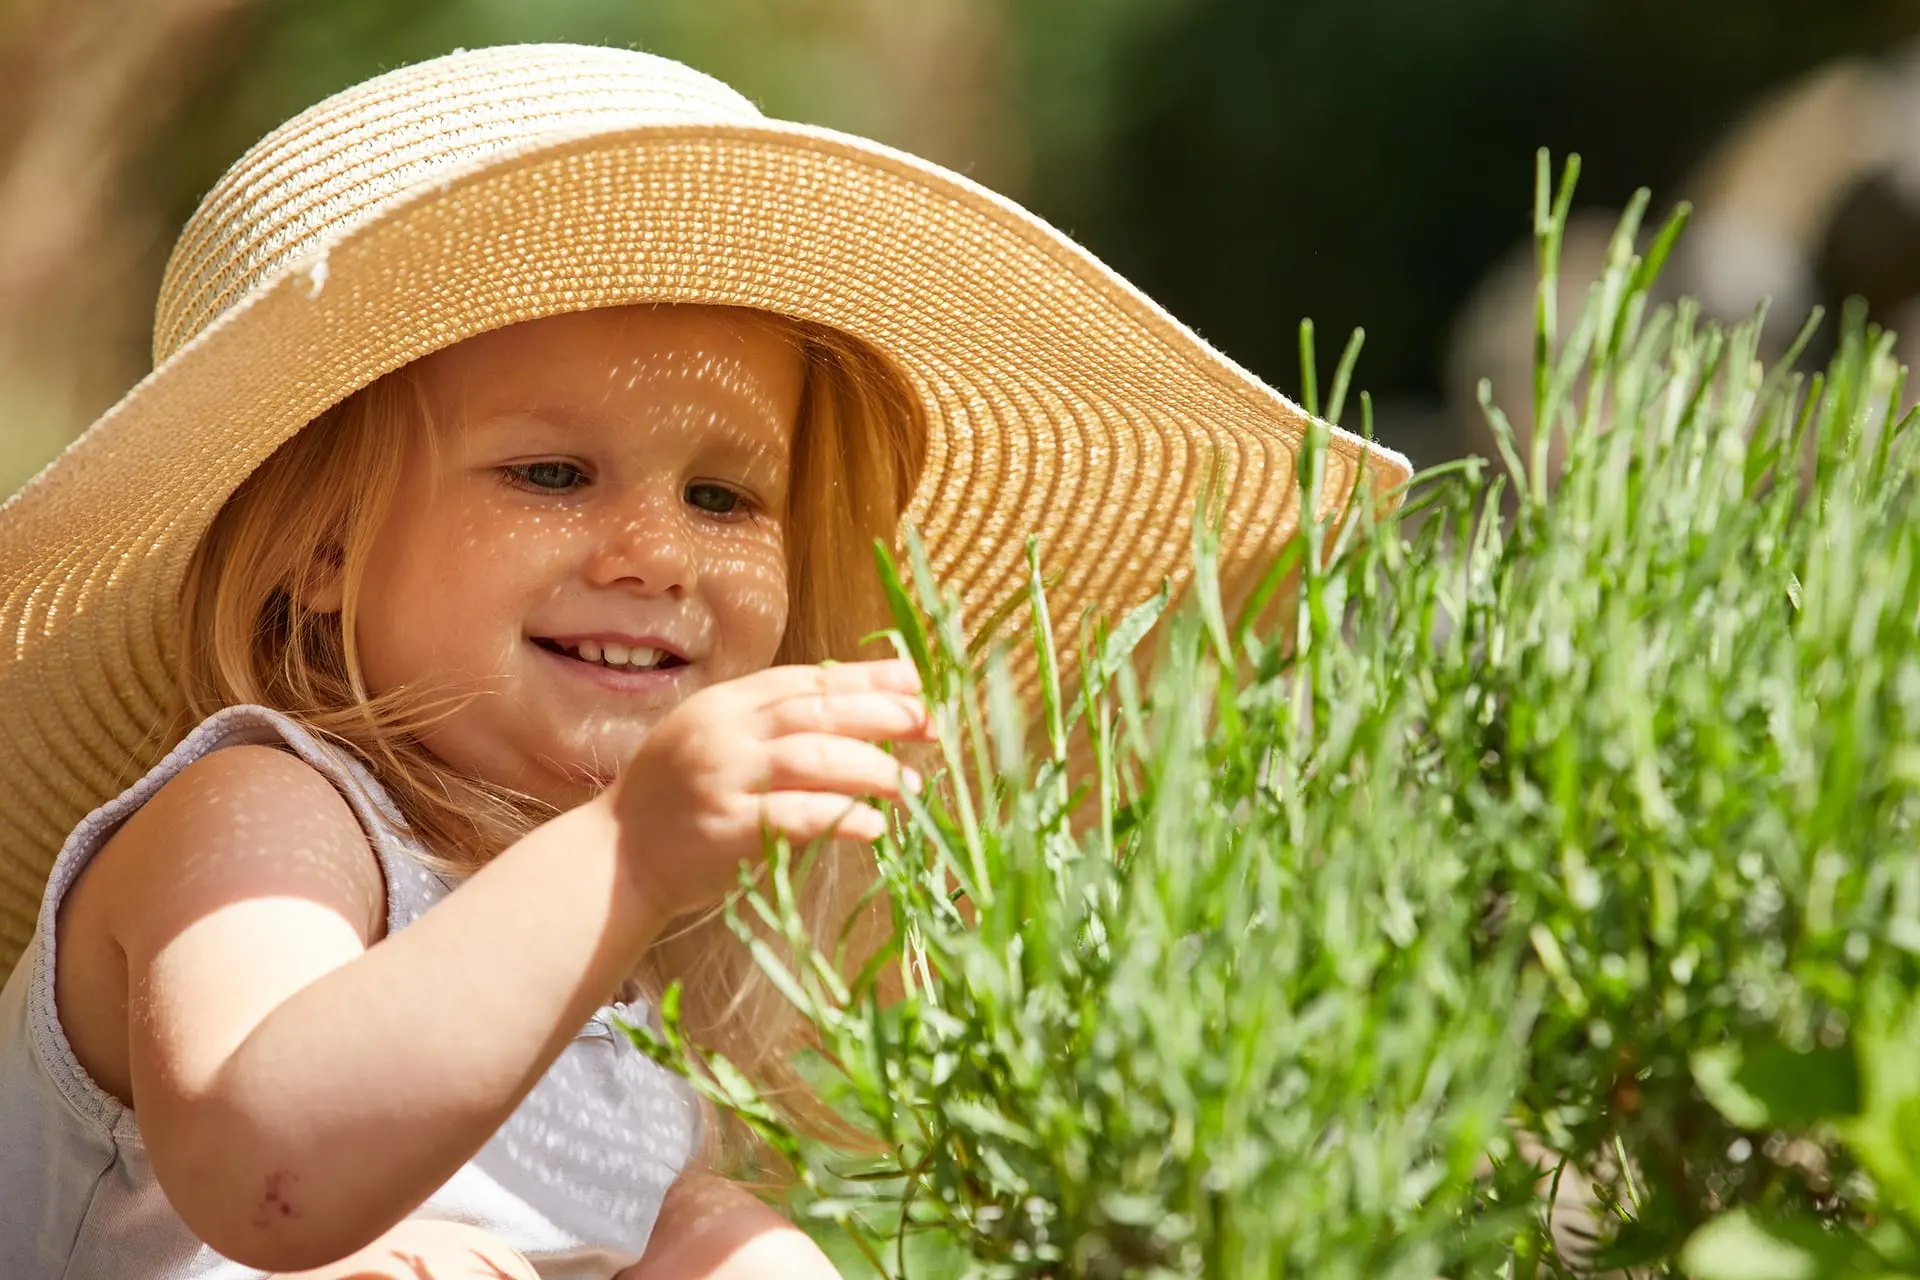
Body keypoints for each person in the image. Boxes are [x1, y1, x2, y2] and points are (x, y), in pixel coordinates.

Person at [0, 43, 1406, 1280]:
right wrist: (627, 848)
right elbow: (266, 1170)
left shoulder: (613, 970)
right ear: (319, 548)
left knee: (731, 1231)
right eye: (552, 472)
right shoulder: (263, 817)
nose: (656, 553)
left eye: (725, 499)